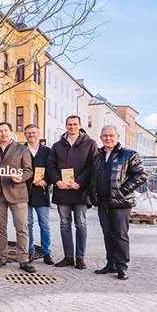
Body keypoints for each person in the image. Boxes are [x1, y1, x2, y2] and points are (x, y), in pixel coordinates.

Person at [89, 126, 147, 280]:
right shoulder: (98, 157)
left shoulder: (129, 155)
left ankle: (122, 267)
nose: (108, 138)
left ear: (117, 136)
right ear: (101, 138)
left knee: (120, 234)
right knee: (108, 234)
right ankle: (111, 264)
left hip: (121, 203)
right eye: (105, 136)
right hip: (103, 202)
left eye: (111, 135)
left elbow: (141, 175)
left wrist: (123, 190)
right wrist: (93, 196)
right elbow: (93, 178)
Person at [47, 115, 98, 270]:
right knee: (64, 224)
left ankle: (80, 257)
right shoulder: (57, 146)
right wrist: (57, 181)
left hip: (80, 191)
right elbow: (51, 166)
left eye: (75, 124)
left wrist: (79, 182)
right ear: (66, 125)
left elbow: (92, 166)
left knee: (81, 224)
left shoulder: (90, 144)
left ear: (80, 125)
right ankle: (68, 257)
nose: (72, 127)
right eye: (69, 124)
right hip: (62, 191)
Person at [0, 122, 35, 273]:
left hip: (17, 192)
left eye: (5, 130)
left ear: (11, 132)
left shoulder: (22, 149)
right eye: (0, 131)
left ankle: (24, 259)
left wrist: (20, 177)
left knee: (22, 228)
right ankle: (1, 257)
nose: (3, 133)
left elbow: (29, 171)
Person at [24, 124, 53, 265]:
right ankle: (29, 251)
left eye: (34, 132)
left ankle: (46, 252)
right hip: (24, 193)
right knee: (27, 225)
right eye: (28, 133)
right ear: (25, 135)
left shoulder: (47, 151)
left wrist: (46, 181)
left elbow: (52, 170)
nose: (31, 135)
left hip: (41, 193)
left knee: (44, 224)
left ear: (39, 134)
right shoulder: (20, 150)